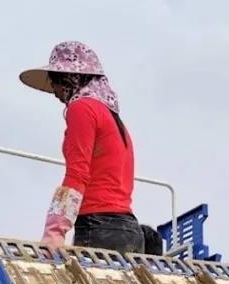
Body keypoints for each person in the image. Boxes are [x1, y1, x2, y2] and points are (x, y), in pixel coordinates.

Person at [19, 42, 145, 253]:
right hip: (129, 231)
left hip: (98, 226)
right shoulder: (112, 117)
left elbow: (77, 174)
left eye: (56, 82)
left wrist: (54, 232)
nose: (55, 91)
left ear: (70, 79)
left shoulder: (81, 108)